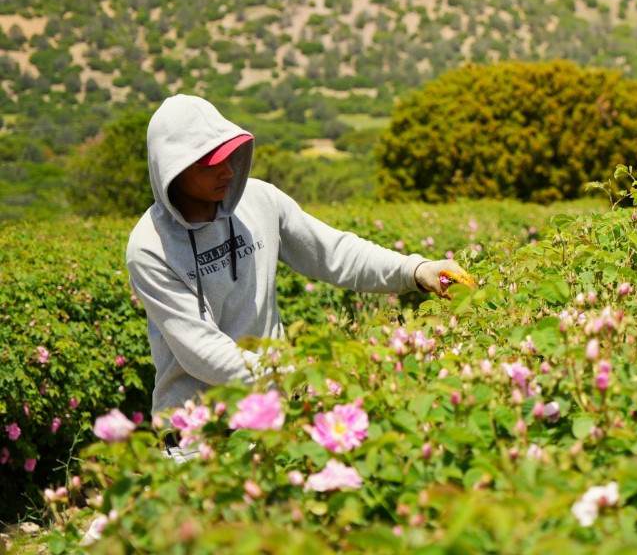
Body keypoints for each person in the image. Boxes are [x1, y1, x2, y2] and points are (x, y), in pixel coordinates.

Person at [126, 94, 472, 443]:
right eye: (209, 165)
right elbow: (202, 352)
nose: (228, 171)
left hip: (275, 420)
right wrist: (300, 377)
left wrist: (416, 270)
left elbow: (333, 253)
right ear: (172, 169)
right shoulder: (150, 248)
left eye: (229, 157)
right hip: (198, 435)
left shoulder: (260, 202)